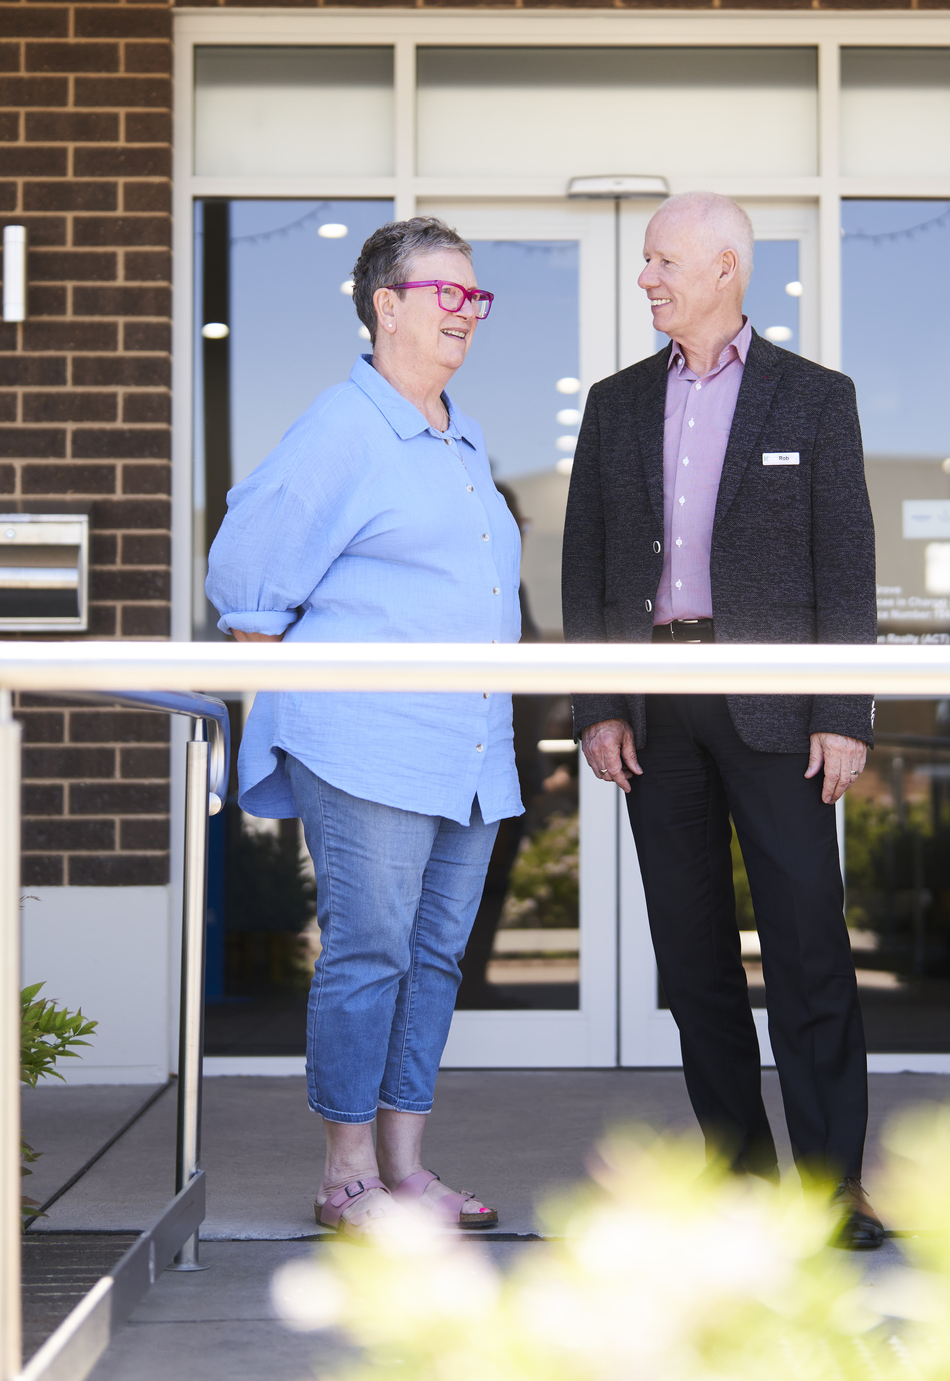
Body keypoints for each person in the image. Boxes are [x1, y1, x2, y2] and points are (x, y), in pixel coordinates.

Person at [560, 191, 886, 1250]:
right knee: (692, 955)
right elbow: (588, 570)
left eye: (664, 261)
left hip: (781, 711)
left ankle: (831, 1189)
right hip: (659, 707)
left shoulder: (815, 398)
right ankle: (738, 1177)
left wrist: (844, 712)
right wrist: (600, 702)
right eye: (647, 261)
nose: (647, 277)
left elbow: (846, 569)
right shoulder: (612, 406)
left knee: (808, 948)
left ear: (726, 270)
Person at [206, 216, 519, 1237]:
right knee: (370, 951)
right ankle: (346, 1175)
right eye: (448, 295)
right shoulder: (344, 426)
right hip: (371, 744)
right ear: (387, 305)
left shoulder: (458, 432)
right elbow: (246, 579)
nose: (467, 313)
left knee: (433, 957)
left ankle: (407, 1168)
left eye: (478, 297)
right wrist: (308, 699)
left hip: (466, 750)